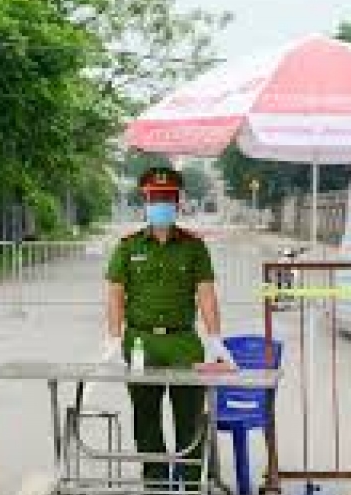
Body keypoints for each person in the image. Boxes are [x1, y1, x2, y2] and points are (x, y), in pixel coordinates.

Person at [102, 165, 236, 488]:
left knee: (189, 419)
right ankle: (157, 483)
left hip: (183, 343)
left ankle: (189, 484)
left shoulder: (193, 246)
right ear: (146, 203)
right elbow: (115, 294)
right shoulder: (128, 246)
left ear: (177, 203)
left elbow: (206, 293)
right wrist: (113, 338)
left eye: (167, 199)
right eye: (155, 199)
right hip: (140, 343)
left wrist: (215, 338)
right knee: (146, 418)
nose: (161, 205)